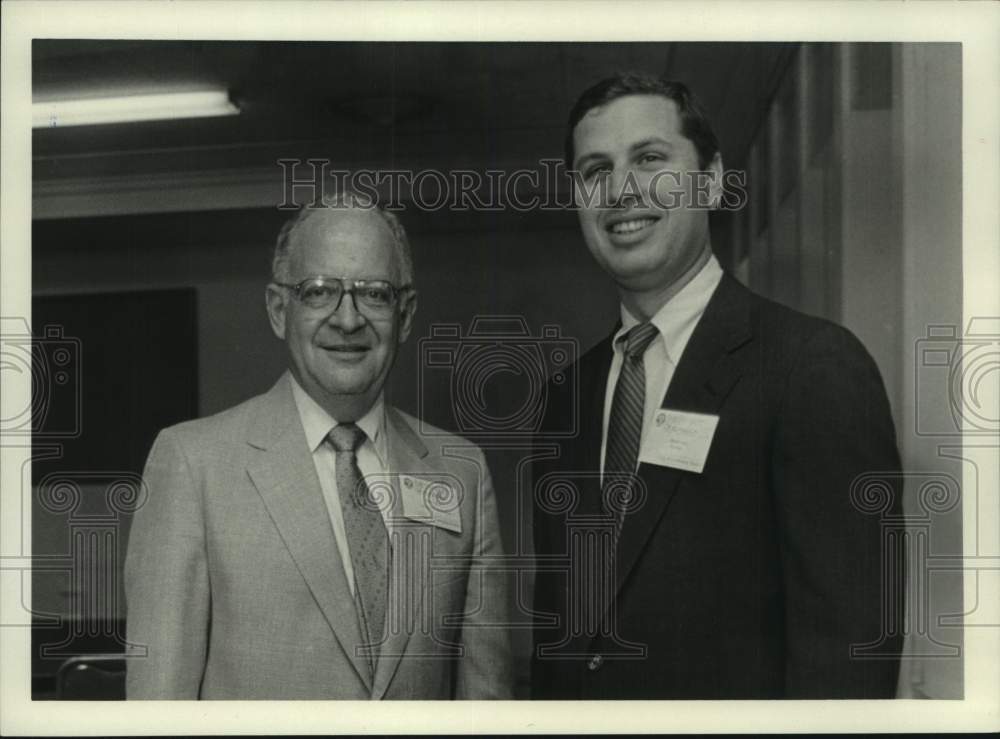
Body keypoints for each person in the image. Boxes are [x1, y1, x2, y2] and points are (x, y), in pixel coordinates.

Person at [530, 73, 903, 699]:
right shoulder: (566, 395)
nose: (620, 190)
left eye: (650, 159)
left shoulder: (812, 367)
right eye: (595, 170)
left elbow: (850, 653)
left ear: (712, 178)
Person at [125, 193, 512, 699]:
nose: (347, 319)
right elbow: (158, 711)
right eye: (319, 291)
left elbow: (486, 707)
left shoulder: (460, 475)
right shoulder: (192, 465)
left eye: (373, 293)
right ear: (280, 309)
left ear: (406, 313)